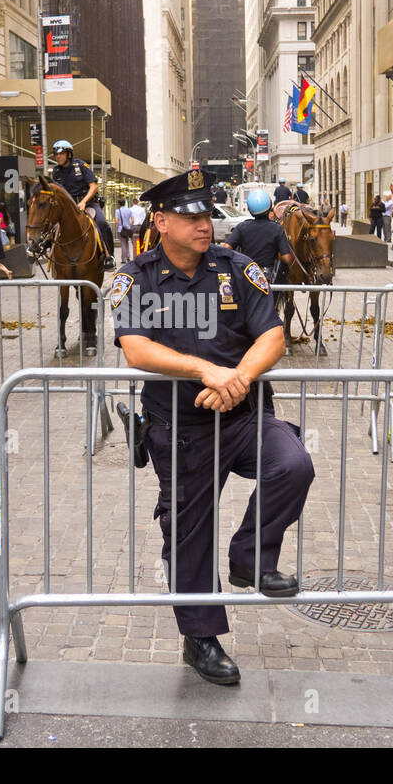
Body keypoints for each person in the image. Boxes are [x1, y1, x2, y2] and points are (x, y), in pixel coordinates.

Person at [111, 168, 315, 685]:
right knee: (187, 533)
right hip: (180, 427)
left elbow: (272, 335)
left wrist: (240, 378)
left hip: (244, 415)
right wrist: (206, 370)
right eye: (190, 215)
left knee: (292, 465)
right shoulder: (135, 278)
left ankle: (250, 558)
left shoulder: (236, 268)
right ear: (160, 221)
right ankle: (200, 638)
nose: (204, 224)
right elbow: (137, 348)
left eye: (207, 213)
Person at [50, 139, 114, 269]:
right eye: (56, 154)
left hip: (88, 203)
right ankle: (42, 250)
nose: (58, 156)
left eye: (61, 153)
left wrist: (83, 202)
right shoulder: (56, 172)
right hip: (68, 208)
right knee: (50, 224)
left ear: (68, 154)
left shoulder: (80, 165)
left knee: (102, 223)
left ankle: (109, 257)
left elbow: (93, 186)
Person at [223, 188, 293, 284]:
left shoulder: (242, 227)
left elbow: (226, 249)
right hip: (267, 279)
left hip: (246, 276)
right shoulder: (277, 229)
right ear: (270, 208)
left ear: (250, 210)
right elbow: (286, 258)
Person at [114, 199, 136, 263]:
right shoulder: (129, 210)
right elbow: (132, 220)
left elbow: (116, 221)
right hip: (128, 229)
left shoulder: (118, 211)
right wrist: (130, 226)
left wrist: (117, 228)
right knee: (127, 243)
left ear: (119, 204)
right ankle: (128, 257)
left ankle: (124, 259)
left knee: (123, 244)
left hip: (121, 229)